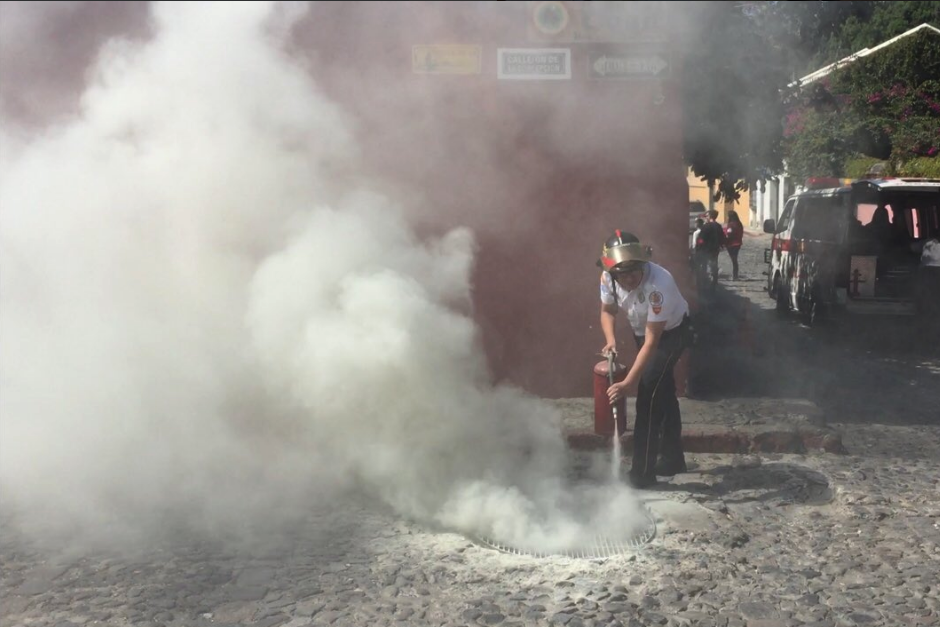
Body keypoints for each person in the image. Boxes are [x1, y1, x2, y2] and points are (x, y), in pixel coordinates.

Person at [597, 230, 692, 489]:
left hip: (672, 334)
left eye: (634, 271)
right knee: (664, 392)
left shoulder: (659, 285)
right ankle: (673, 459)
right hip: (643, 333)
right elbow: (607, 311)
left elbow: (653, 341)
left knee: (648, 394)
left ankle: (642, 473)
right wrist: (611, 339)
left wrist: (628, 383)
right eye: (622, 273)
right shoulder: (607, 277)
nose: (628, 278)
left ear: (643, 264)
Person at [697, 209, 726, 289]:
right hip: (715, 249)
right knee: (714, 264)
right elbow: (722, 237)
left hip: (706, 249)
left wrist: (698, 247)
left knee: (704, 265)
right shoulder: (718, 226)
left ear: (710, 216)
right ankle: (714, 280)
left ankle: (704, 281)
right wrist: (721, 245)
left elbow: (701, 239)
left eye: (707, 216)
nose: (706, 217)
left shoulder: (706, 226)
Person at [724, 209, 744, 280]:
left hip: (731, 244)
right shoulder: (739, 223)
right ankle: (735, 275)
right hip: (738, 243)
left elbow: (729, 233)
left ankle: (734, 276)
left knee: (733, 260)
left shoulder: (731, 224)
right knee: (734, 260)